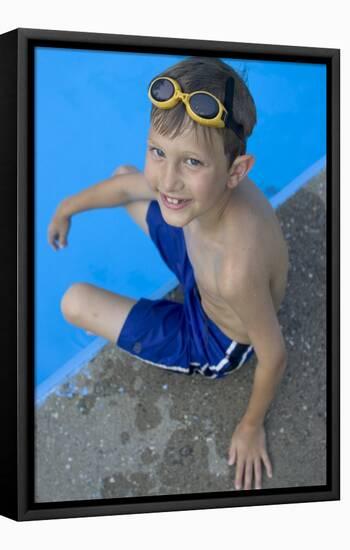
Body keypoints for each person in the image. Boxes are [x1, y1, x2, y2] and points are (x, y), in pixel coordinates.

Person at [47, 57, 289, 491]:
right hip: (201, 261)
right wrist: (67, 207)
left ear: (238, 171)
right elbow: (128, 186)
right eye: (158, 151)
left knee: (74, 302)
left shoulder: (236, 270)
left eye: (192, 162)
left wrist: (251, 426)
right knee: (126, 177)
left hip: (213, 337)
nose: (169, 179)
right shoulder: (206, 193)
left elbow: (273, 354)